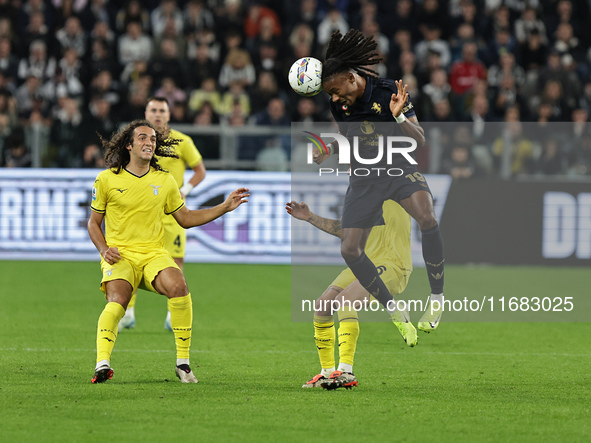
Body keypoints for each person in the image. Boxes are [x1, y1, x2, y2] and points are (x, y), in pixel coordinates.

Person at [88, 119, 248, 384]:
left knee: (179, 286)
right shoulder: (106, 179)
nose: (149, 142)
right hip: (121, 254)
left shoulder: (164, 181)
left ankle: (183, 364)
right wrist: (104, 249)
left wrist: (223, 207)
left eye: (152, 139)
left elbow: (185, 218)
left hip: (153, 254)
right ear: (128, 145)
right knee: (117, 299)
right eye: (142, 138)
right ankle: (102, 363)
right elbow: (93, 223)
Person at [315, 29, 444, 332]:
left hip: (398, 166)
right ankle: (393, 307)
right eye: (330, 95)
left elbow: (420, 139)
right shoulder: (339, 104)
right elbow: (348, 135)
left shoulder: (387, 92)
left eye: (336, 90)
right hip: (365, 175)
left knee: (427, 216)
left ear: (351, 77)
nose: (335, 98)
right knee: (349, 249)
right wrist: (329, 148)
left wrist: (399, 117)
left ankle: (437, 297)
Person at [287, 199, 416, 390]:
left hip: (393, 264)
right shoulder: (359, 196)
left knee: (345, 301)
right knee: (323, 306)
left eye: (351, 167)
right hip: (364, 263)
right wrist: (310, 217)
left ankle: (346, 371)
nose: (349, 170)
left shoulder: (392, 186)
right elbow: (344, 231)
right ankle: (328, 372)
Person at [118, 96, 206, 332]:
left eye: (162, 110)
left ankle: (172, 313)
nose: (157, 114)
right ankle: (128, 312)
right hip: (144, 211)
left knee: (176, 261)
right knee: (133, 258)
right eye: (153, 110)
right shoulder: (137, 141)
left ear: (169, 114)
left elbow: (200, 171)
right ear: (146, 114)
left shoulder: (182, 141)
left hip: (173, 212)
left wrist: (184, 190)